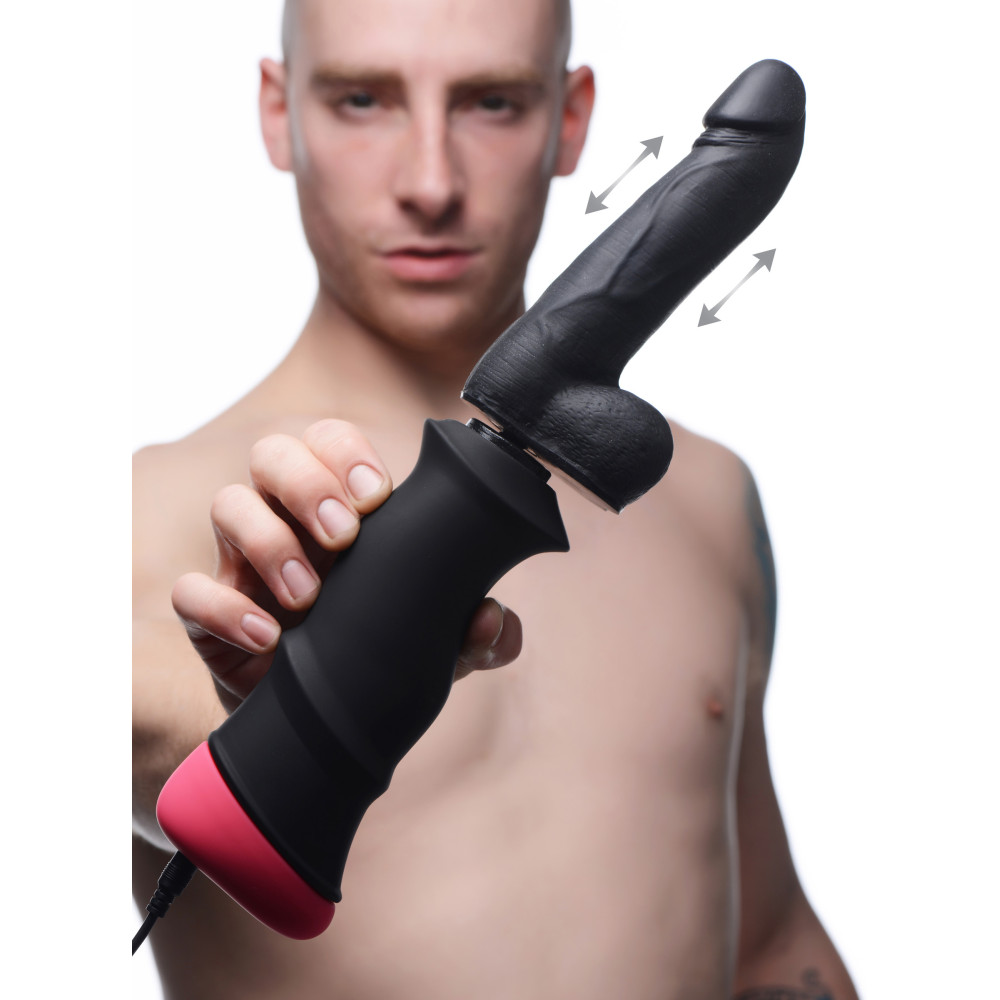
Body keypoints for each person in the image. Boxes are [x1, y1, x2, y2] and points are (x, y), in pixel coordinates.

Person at [132, 0, 858, 996]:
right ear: (277, 109)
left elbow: (769, 938)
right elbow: (120, 732)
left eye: (492, 102)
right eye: (362, 99)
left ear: (570, 117)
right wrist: (254, 710)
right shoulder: (136, 511)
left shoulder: (712, 501)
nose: (431, 183)